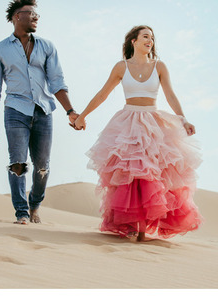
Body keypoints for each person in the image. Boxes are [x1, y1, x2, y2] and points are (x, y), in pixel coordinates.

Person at [73, 25, 203, 242]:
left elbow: (170, 95)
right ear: (133, 41)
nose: (149, 40)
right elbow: (102, 94)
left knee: (153, 174)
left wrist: (183, 119)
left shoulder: (159, 66)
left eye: (151, 38)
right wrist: (82, 116)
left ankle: (143, 228)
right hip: (128, 122)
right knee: (130, 174)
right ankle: (132, 225)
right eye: (145, 36)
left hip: (153, 122)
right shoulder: (121, 67)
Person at [0, 0, 79, 224]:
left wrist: (70, 111)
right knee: (17, 162)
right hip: (15, 111)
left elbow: (57, 81)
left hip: (43, 111)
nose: (36, 17)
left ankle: (35, 203)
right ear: (18, 16)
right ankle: (22, 212)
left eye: (38, 14)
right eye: (31, 13)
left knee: (42, 166)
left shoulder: (47, 46)